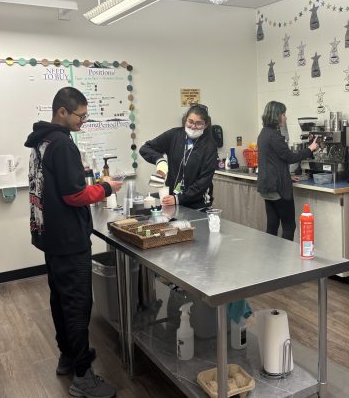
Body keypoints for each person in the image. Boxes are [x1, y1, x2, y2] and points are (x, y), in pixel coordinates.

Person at [25, 87, 122, 398]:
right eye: (80, 116)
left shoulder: (40, 142)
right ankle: (83, 376)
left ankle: (68, 356)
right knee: (78, 306)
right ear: (62, 113)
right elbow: (76, 195)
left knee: (61, 300)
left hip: (49, 237)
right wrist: (106, 187)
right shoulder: (63, 146)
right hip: (68, 241)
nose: (84, 121)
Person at [257, 101, 318, 241]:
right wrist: (310, 149)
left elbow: (272, 162)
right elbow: (290, 157)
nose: (285, 117)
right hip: (278, 188)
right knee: (289, 226)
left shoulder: (264, 133)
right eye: (283, 114)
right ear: (276, 116)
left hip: (267, 187)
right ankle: (285, 260)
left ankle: (271, 258)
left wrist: (287, 175)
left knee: (272, 226)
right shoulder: (274, 136)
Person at [140, 104, 217, 210]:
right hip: (173, 202)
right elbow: (145, 148)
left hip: (198, 205)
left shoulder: (209, 146)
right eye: (190, 121)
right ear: (185, 120)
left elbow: (204, 181)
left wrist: (179, 199)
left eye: (199, 123)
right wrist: (160, 161)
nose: (193, 126)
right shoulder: (174, 135)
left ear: (206, 124)